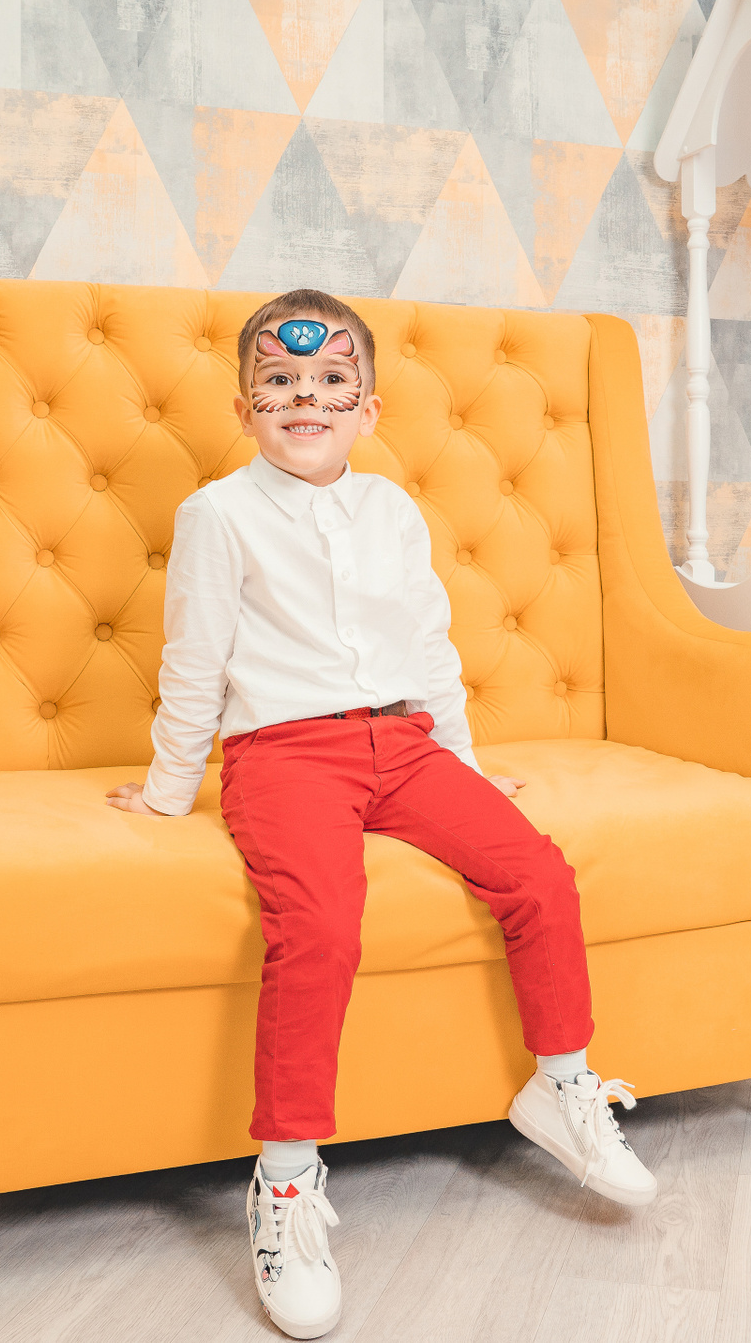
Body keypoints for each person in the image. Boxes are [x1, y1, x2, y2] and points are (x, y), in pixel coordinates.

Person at [104, 289, 655, 1340]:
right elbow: (195, 660)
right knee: (319, 927)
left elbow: (430, 646)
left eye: (329, 382)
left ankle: (562, 1086)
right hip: (283, 755)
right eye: (278, 382)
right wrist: (169, 791)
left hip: (403, 744)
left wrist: (466, 770)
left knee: (538, 875)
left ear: (368, 409)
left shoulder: (394, 511)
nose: (303, 398)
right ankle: (284, 1182)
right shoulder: (218, 515)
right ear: (245, 408)